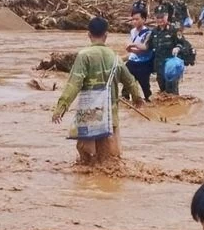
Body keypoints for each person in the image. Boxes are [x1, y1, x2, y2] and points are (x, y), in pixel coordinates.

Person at [52, 17, 144, 165]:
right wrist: (137, 98)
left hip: (89, 115)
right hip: (110, 117)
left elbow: (73, 84)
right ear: (106, 35)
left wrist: (61, 107)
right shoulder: (115, 58)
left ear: (89, 35)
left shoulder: (84, 56)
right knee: (111, 161)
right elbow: (130, 81)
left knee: (87, 161)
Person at [124, 5, 154, 101]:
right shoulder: (132, 31)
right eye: (133, 19)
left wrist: (132, 46)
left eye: (137, 19)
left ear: (144, 19)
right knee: (126, 84)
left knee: (145, 87)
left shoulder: (148, 33)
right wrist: (130, 49)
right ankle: (128, 101)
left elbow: (145, 48)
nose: (134, 22)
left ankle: (148, 102)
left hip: (144, 63)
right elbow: (132, 48)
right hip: (132, 61)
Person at [149, 9, 184, 93]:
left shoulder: (174, 30)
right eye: (158, 17)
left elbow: (183, 43)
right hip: (158, 65)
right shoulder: (153, 31)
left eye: (162, 17)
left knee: (172, 91)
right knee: (162, 90)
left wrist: (177, 48)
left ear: (167, 16)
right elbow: (149, 47)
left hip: (171, 66)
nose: (160, 20)